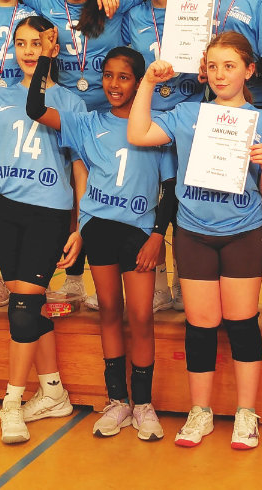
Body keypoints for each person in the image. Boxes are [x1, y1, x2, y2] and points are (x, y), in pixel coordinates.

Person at [128, 31, 262, 450]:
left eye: (229, 65)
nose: (219, 74)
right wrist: (147, 82)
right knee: (201, 325)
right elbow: (139, 133)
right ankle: (200, 412)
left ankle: (246, 413)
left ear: (249, 70)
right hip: (194, 232)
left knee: (242, 323)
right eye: (212, 66)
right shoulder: (186, 114)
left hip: (243, 232)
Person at [0, 17, 86, 444]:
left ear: (53, 51)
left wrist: (79, 225)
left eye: (38, 44)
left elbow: (78, 165)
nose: (29, 50)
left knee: (23, 307)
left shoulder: (68, 101)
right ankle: (55, 392)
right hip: (5, 209)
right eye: (21, 43)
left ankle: (12, 401)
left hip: (50, 210)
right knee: (29, 303)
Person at [27, 45, 175, 441]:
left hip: (139, 233)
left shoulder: (156, 127)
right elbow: (35, 110)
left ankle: (143, 404)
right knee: (110, 310)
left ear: (139, 81)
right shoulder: (87, 122)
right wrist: (44, 59)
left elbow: (170, 187)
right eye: (108, 75)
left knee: (141, 317)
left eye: (123, 77)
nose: (113, 84)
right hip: (99, 229)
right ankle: (117, 401)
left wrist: (158, 235)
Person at [122, 0, 205, 315]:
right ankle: (156, 285)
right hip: (151, 119)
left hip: (189, 116)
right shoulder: (131, 15)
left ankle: (184, 282)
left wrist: (204, 69)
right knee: (149, 199)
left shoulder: (196, 10)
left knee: (184, 199)